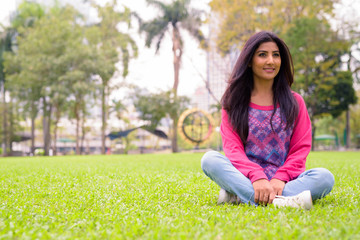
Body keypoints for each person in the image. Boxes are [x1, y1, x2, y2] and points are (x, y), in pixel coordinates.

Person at [201, 31, 334, 210]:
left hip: (284, 182)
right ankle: (283, 202)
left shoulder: (296, 102)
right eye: (262, 55)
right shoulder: (233, 103)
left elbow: (300, 149)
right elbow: (233, 150)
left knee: (325, 178)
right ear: (249, 61)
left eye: (276, 55)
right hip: (248, 178)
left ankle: (240, 195)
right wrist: (257, 176)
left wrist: (281, 177)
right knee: (209, 159)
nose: (271, 61)